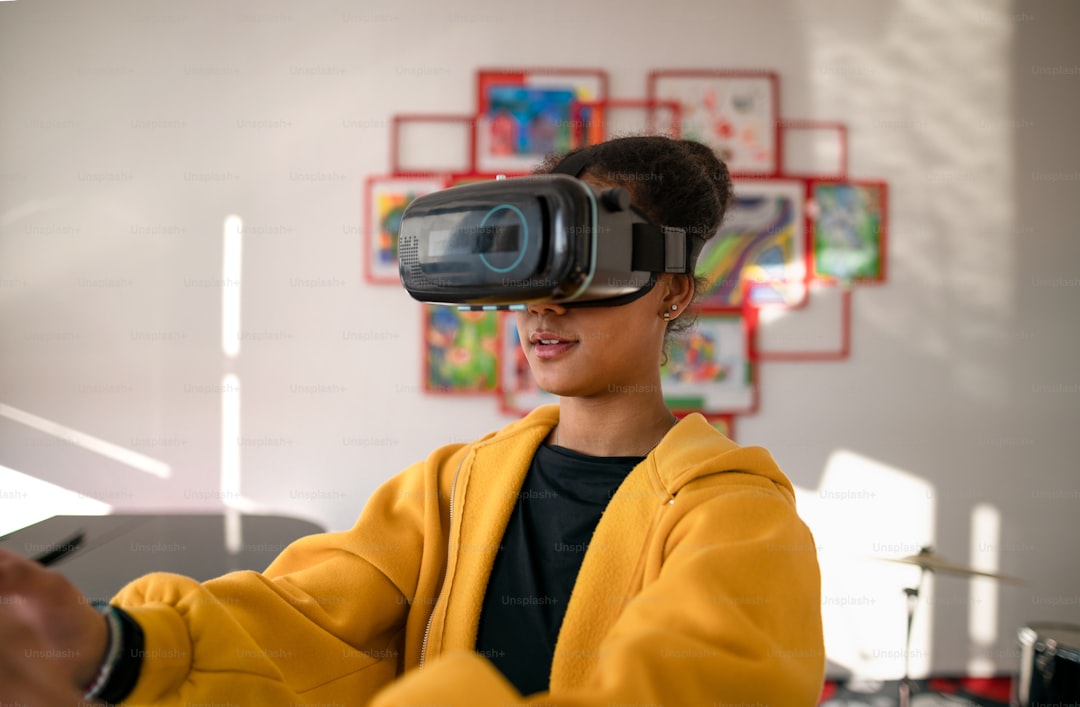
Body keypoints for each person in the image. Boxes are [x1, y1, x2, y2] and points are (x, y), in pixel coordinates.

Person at [0, 135, 825, 705]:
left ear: (674, 289)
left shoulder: (739, 519)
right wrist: (112, 645)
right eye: (533, 261)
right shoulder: (451, 487)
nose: (543, 303)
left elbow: (696, 686)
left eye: (589, 263)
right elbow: (299, 617)